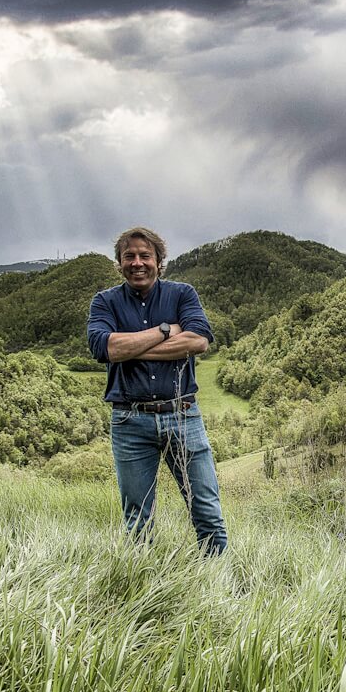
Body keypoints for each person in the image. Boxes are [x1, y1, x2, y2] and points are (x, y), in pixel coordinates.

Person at [86, 226, 227, 555]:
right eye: (129, 256)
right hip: (129, 421)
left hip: (184, 416)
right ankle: (145, 590)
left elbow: (198, 340)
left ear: (159, 261)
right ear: (119, 263)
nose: (137, 262)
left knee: (207, 511)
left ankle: (218, 587)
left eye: (145, 256)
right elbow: (101, 347)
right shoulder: (104, 302)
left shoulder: (182, 294)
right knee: (138, 520)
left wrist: (128, 347)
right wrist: (166, 331)